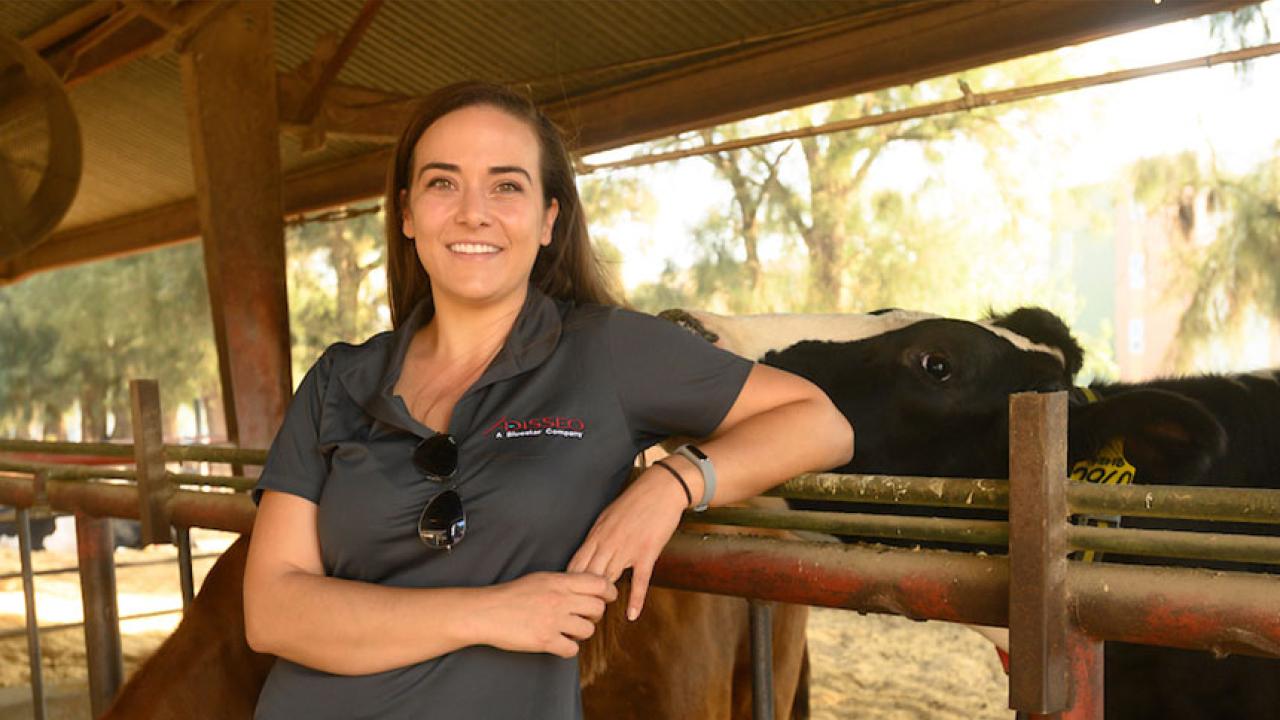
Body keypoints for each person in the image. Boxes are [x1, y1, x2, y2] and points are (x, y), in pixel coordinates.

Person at [243, 81, 853, 719]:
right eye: (442, 183)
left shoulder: (608, 351)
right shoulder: (339, 379)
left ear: (548, 220)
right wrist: (493, 612)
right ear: (406, 213)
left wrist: (674, 482)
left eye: (506, 185)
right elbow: (272, 612)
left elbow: (822, 422)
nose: (473, 212)